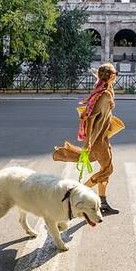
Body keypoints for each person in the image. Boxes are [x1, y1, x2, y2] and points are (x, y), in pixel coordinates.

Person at [52, 63, 120, 215]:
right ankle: (76, 195)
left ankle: (103, 203)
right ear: (110, 76)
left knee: (104, 171)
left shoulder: (103, 89)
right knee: (108, 169)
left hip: (103, 138)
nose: (116, 77)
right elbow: (90, 118)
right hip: (98, 141)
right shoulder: (104, 95)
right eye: (114, 74)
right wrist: (89, 141)